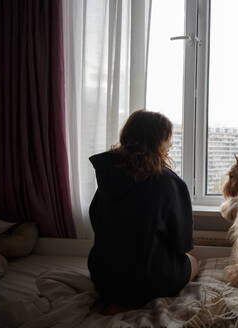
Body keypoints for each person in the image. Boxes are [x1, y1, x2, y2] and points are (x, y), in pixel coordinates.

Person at [88, 110, 198, 308]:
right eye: (168, 139)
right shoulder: (168, 182)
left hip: (104, 278)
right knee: (193, 261)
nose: (170, 145)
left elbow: (97, 221)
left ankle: (119, 298)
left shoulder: (108, 177)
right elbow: (183, 244)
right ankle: (135, 297)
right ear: (159, 142)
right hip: (148, 281)